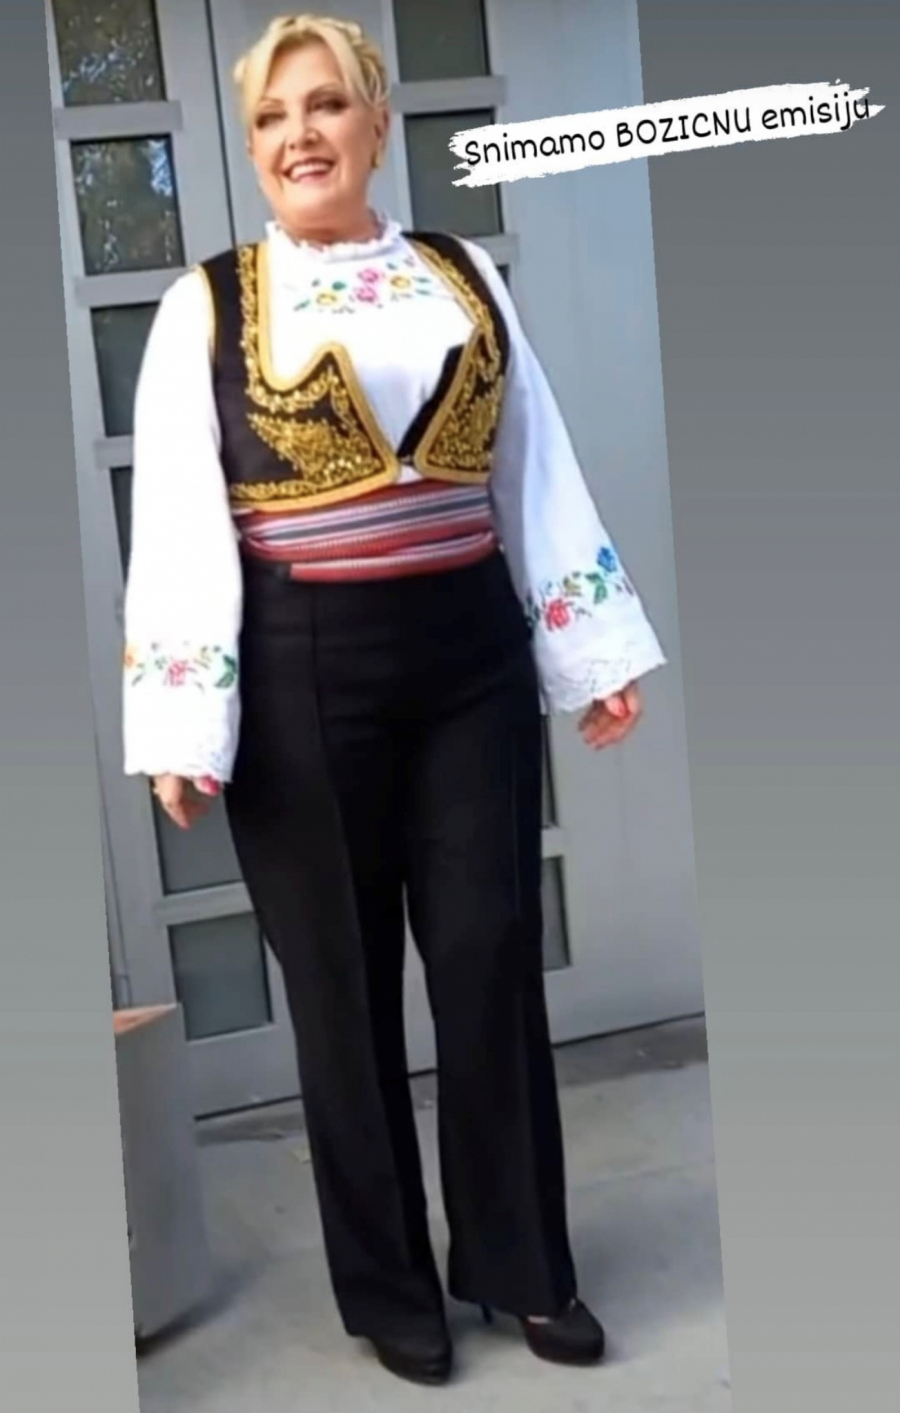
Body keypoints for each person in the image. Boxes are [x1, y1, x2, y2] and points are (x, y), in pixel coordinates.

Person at [122, 12, 666, 1388]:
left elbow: (531, 462)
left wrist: (589, 650)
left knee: (489, 955)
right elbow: (179, 520)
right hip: (302, 666)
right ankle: (388, 1288)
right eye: (270, 117)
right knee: (341, 988)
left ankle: (524, 1265)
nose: (297, 136)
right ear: (255, 146)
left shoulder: (458, 274)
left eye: (322, 105)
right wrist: (185, 725)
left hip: (468, 658)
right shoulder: (208, 304)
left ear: (372, 120)